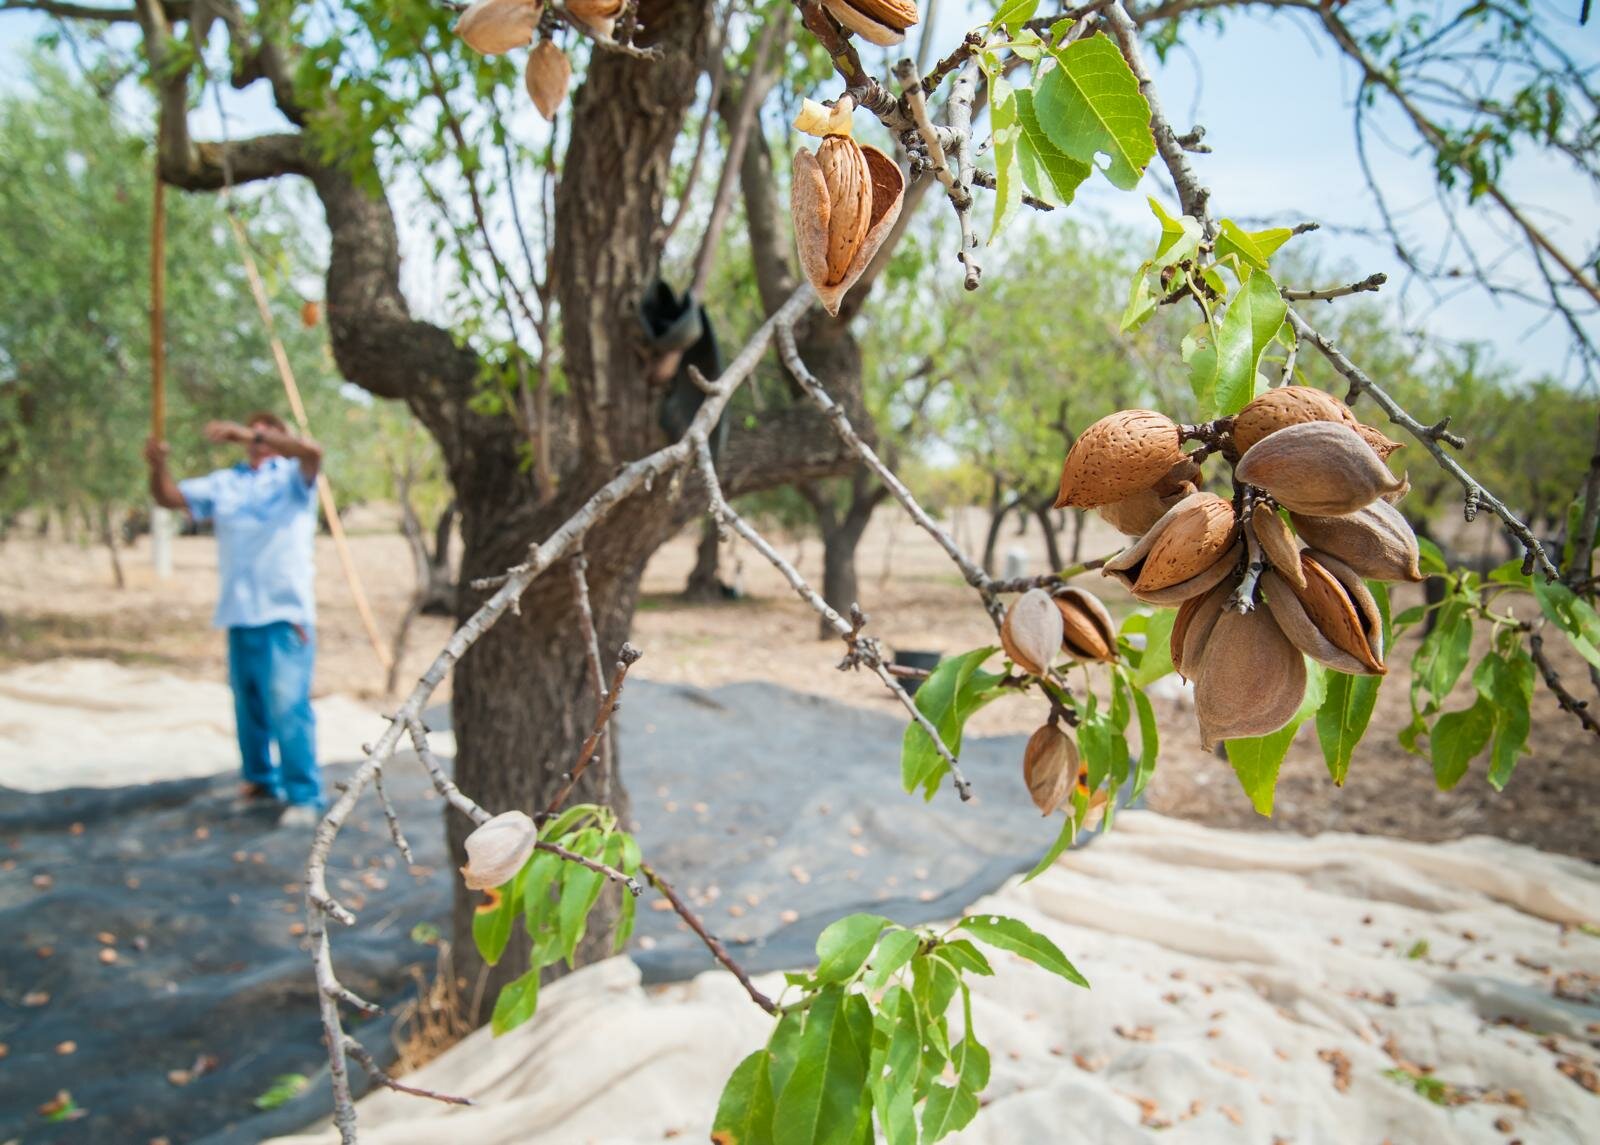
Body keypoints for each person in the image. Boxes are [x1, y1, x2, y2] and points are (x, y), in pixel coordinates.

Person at [145, 414, 326, 827]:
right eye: (253, 434)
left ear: (278, 437)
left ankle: (305, 795)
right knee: (249, 704)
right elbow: (169, 498)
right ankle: (261, 780)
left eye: (266, 433)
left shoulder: (293, 479)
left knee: (288, 704)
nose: (257, 440)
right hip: (240, 611)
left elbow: (313, 451)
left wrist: (248, 433)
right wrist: (157, 466)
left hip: (286, 612)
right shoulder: (227, 483)